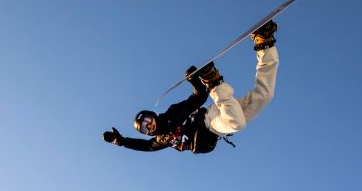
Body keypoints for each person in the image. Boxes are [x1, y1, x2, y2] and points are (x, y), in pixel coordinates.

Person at [102, 20, 280, 155]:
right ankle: (264, 44)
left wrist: (194, 80)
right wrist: (121, 141)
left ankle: (214, 82)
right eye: (144, 128)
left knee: (236, 123)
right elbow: (145, 147)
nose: (149, 126)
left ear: (153, 115)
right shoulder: (161, 140)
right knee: (264, 96)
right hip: (216, 127)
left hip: (210, 121)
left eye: (148, 120)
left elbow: (200, 97)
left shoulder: (173, 114)